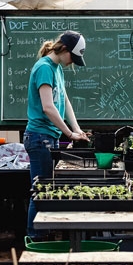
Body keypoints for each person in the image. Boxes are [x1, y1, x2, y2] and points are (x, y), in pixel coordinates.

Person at [23, 30, 89, 240]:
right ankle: (35, 237)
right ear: (64, 49)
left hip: (48, 137)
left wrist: (77, 130)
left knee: (46, 189)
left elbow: (65, 102)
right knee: (40, 191)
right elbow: (48, 108)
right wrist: (69, 134)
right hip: (39, 137)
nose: (72, 63)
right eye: (73, 57)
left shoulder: (57, 68)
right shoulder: (44, 68)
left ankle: (44, 234)